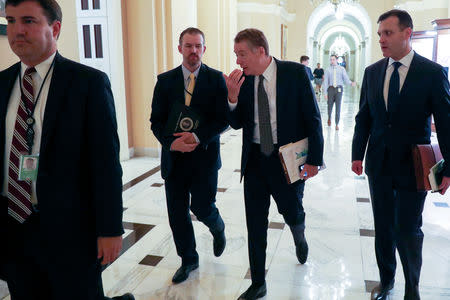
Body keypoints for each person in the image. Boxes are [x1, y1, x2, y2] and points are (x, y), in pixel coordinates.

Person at [0, 0, 133, 299]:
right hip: (14, 230)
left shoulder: (88, 84)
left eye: (29, 21)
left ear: (55, 28)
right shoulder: (2, 83)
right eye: (11, 21)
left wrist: (110, 228)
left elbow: (105, 162)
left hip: (71, 231)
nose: (17, 31)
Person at [352, 9, 450, 300]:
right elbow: (364, 118)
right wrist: (358, 154)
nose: (382, 39)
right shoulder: (372, 72)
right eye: (380, 33)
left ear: (407, 33)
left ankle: (412, 287)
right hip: (379, 163)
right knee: (382, 227)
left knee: (408, 228)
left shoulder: (432, 73)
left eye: (388, 33)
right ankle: (387, 282)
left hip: (413, 165)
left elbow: (445, 123)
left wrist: (448, 169)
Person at [223, 28, 324, 300]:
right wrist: (232, 98)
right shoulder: (242, 80)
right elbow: (236, 123)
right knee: (255, 223)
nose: (238, 61)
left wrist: (315, 160)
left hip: (287, 159)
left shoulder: (294, 74)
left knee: (291, 212)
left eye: (242, 54)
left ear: (260, 51)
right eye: (236, 55)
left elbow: (313, 118)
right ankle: (258, 283)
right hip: (255, 159)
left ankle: (299, 233)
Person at [150, 27, 228, 284]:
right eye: (188, 46)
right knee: (177, 213)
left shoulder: (217, 79)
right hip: (175, 160)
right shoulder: (164, 81)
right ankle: (189, 259)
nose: (193, 51)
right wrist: (171, 145)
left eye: (198, 46)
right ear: (180, 48)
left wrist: (196, 137)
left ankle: (217, 227)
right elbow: (156, 121)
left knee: (203, 207)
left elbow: (222, 120)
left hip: (204, 158)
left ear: (204, 49)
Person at [322, 54, 356, 130]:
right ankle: (329, 118)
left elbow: (346, 78)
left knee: (338, 107)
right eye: (331, 60)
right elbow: (325, 82)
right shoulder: (327, 69)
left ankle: (337, 124)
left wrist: (351, 83)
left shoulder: (341, 69)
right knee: (329, 106)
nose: (332, 61)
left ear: (336, 60)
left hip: (339, 89)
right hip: (330, 89)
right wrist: (325, 93)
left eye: (333, 59)